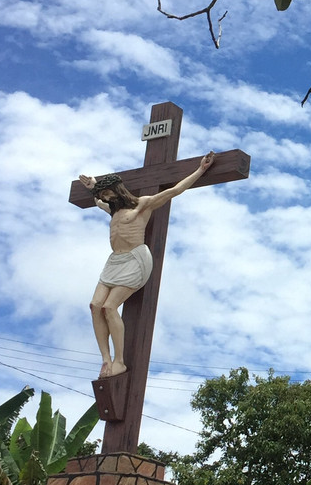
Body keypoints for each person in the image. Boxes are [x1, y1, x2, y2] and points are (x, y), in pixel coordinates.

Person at [79, 152, 215, 378]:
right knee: (95, 306)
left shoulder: (142, 205)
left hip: (135, 259)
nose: (106, 197)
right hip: (114, 262)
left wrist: (200, 170)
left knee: (109, 307)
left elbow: (174, 191)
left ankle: (119, 361)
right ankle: (106, 359)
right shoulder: (112, 210)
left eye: (108, 192)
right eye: (104, 194)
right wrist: (93, 185)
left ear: (118, 190)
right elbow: (97, 200)